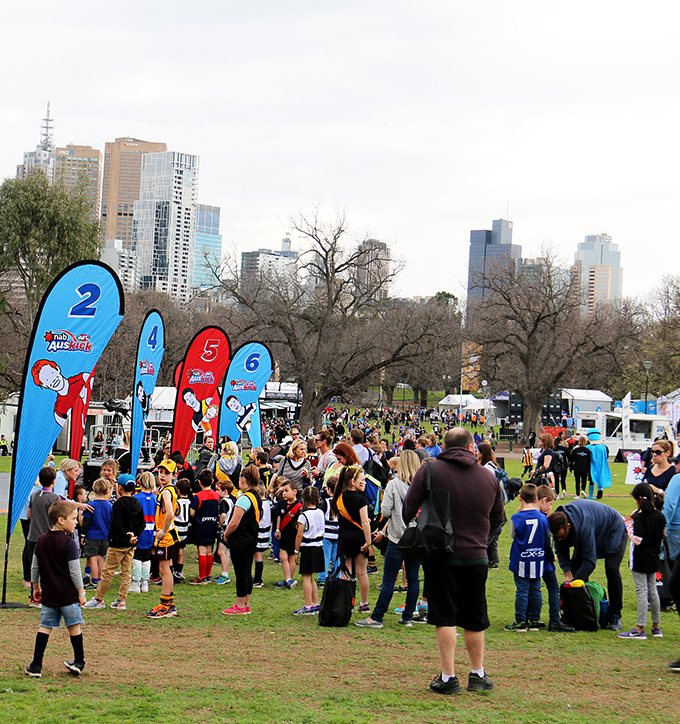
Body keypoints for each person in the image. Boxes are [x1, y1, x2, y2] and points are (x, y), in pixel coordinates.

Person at [403, 427, 504, 695]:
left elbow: (407, 508)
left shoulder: (431, 470)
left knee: (445, 616)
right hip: (476, 555)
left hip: (440, 553)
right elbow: (497, 520)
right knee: (474, 616)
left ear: (445, 448)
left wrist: (424, 530)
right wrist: (480, 539)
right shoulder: (488, 476)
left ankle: (449, 677)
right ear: (472, 446)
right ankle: (478, 673)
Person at [355, 450, 422, 629]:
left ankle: (378, 616)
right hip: (416, 536)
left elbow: (385, 511)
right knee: (413, 578)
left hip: (397, 536)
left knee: (389, 579)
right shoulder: (422, 485)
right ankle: (408, 616)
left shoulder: (394, 484)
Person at [25, 500, 87, 678]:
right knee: (74, 627)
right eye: (74, 518)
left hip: (49, 596)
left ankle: (36, 665)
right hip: (68, 596)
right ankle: (79, 662)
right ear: (61, 520)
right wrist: (81, 593)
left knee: (44, 627)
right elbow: (75, 571)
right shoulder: (69, 544)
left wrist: (36, 587)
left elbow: (34, 568)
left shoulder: (41, 540)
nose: (76, 522)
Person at [548, 498, 627, 631]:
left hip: (613, 528)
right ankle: (577, 614)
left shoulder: (583, 526)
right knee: (575, 568)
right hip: (594, 528)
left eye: (561, 536)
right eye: (556, 537)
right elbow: (561, 552)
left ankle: (615, 615)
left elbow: (590, 562)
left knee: (612, 569)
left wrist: (575, 582)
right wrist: (568, 573)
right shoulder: (557, 524)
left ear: (568, 527)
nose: (559, 539)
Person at [82, 474, 145, 611]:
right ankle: (121, 600)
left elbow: (116, 524)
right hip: (131, 544)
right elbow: (142, 523)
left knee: (108, 571)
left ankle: (99, 599)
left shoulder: (118, 504)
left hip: (118, 543)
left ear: (120, 487)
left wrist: (125, 536)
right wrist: (134, 536)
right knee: (126, 571)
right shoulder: (137, 503)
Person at [617, 483, 666, 640]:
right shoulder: (660, 515)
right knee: (653, 591)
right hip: (654, 557)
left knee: (642, 592)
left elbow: (637, 540)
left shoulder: (641, 518)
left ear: (638, 500)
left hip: (640, 559)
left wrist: (628, 524)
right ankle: (656, 626)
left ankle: (639, 628)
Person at [504, 484, 549, 632]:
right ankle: (534, 620)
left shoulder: (516, 517)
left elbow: (512, 535)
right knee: (536, 589)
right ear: (536, 499)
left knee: (522, 590)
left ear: (520, 498)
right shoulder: (543, 518)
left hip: (521, 558)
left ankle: (520, 621)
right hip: (537, 558)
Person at [221, 464, 263, 615]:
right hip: (251, 539)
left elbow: (234, 522)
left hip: (240, 540)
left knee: (241, 573)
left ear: (243, 480)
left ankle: (239, 606)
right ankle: (246, 603)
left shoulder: (244, 499)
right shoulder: (257, 497)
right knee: (247, 572)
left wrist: (226, 534)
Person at [333, 464, 373, 614]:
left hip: (344, 538)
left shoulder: (339, 498)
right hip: (360, 538)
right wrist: (369, 541)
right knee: (362, 572)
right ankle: (364, 603)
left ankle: (345, 602)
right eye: (362, 480)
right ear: (353, 482)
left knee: (346, 572)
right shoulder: (361, 500)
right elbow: (364, 522)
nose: (364, 483)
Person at [145, 459, 180, 619]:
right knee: (165, 569)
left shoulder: (166, 491)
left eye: (167, 473)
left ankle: (166, 604)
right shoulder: (170, 490)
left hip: (165, 537)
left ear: (174, 475)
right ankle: (168, 602)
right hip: (170, 535)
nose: (162, 476)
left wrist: (162, 532)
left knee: (164, 570)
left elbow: (171, 513)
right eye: (161, 472)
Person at [292, 486, 325, 615]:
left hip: (308, 547)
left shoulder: (303, 516)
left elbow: (299, 535)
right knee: (311, 578)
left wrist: (296, 551)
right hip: (319, 546)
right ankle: (315, 603)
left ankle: (307, 605)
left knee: (306, 577)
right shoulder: (320, 513)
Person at [80, 478, 114, 591]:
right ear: (107, 491)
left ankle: (94, 581)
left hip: (93, 535)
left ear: (93, 489)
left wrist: (83, 535)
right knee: (101, 558)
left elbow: (86, 522)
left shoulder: (91, 505)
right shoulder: (110, 506)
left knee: (93, 558)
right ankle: (100, 579)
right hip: (105, 536)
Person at [189, 469, 220, 585]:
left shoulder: (198, 496)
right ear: (212, 481)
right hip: (212, 525)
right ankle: (207, 575)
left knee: (201, 551)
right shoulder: (216, 495)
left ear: (199, 482)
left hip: (201, 526)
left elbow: (192, 512)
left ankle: (201, 576)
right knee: (209, 551)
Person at [131, 471, 157, 593]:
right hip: (151, 532)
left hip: (138, 531)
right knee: (147, 558)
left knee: (136, 558)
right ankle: (145, 582)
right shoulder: (155, 498)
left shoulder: (136, 498)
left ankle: (136, 583)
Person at [274, 480, 303, 589]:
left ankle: (289, 579)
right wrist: (277, 529)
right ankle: (288, 579)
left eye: (286, 491)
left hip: (293, 535)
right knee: (283, 557)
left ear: (294, 491)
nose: (284, 494)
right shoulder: (282, 503)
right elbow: (279, 517)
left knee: (291, 558)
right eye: (282, 491)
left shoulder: (299, 506)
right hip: (283, 533)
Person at [585, 428, 611, 499]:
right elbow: (607, 456)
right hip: (601, 465)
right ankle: (600, 489)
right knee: (600, 476)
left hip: (591, 465)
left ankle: (591, 495)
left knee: (591, 479)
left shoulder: (588, 447)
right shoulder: (604, 447)